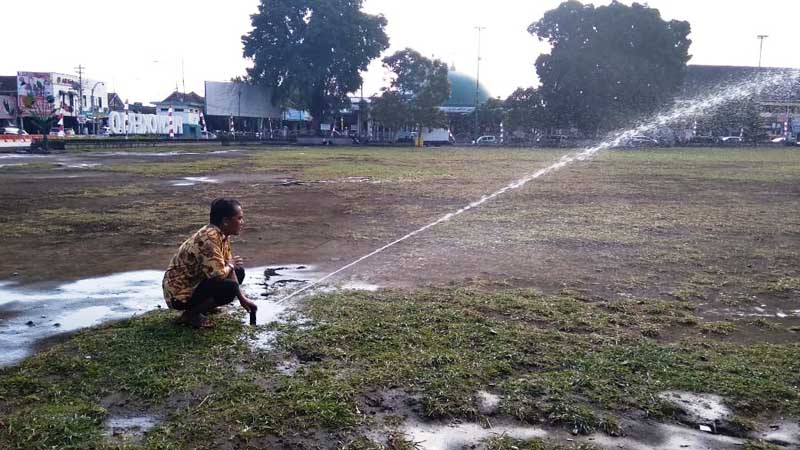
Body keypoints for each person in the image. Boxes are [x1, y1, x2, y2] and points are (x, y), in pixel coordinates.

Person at [162, 198, 257, 328]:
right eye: (239, 218)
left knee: (237, 272)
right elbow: (218, 275)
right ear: (225, 221)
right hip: (179, 295)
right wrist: (230, 265)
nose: (242, 222)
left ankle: (204, 307)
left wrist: (242, 299)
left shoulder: (222, 235)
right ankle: (191, 314)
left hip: (195, 284)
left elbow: (228, 269)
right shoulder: (209, 238)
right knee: (228, 287)